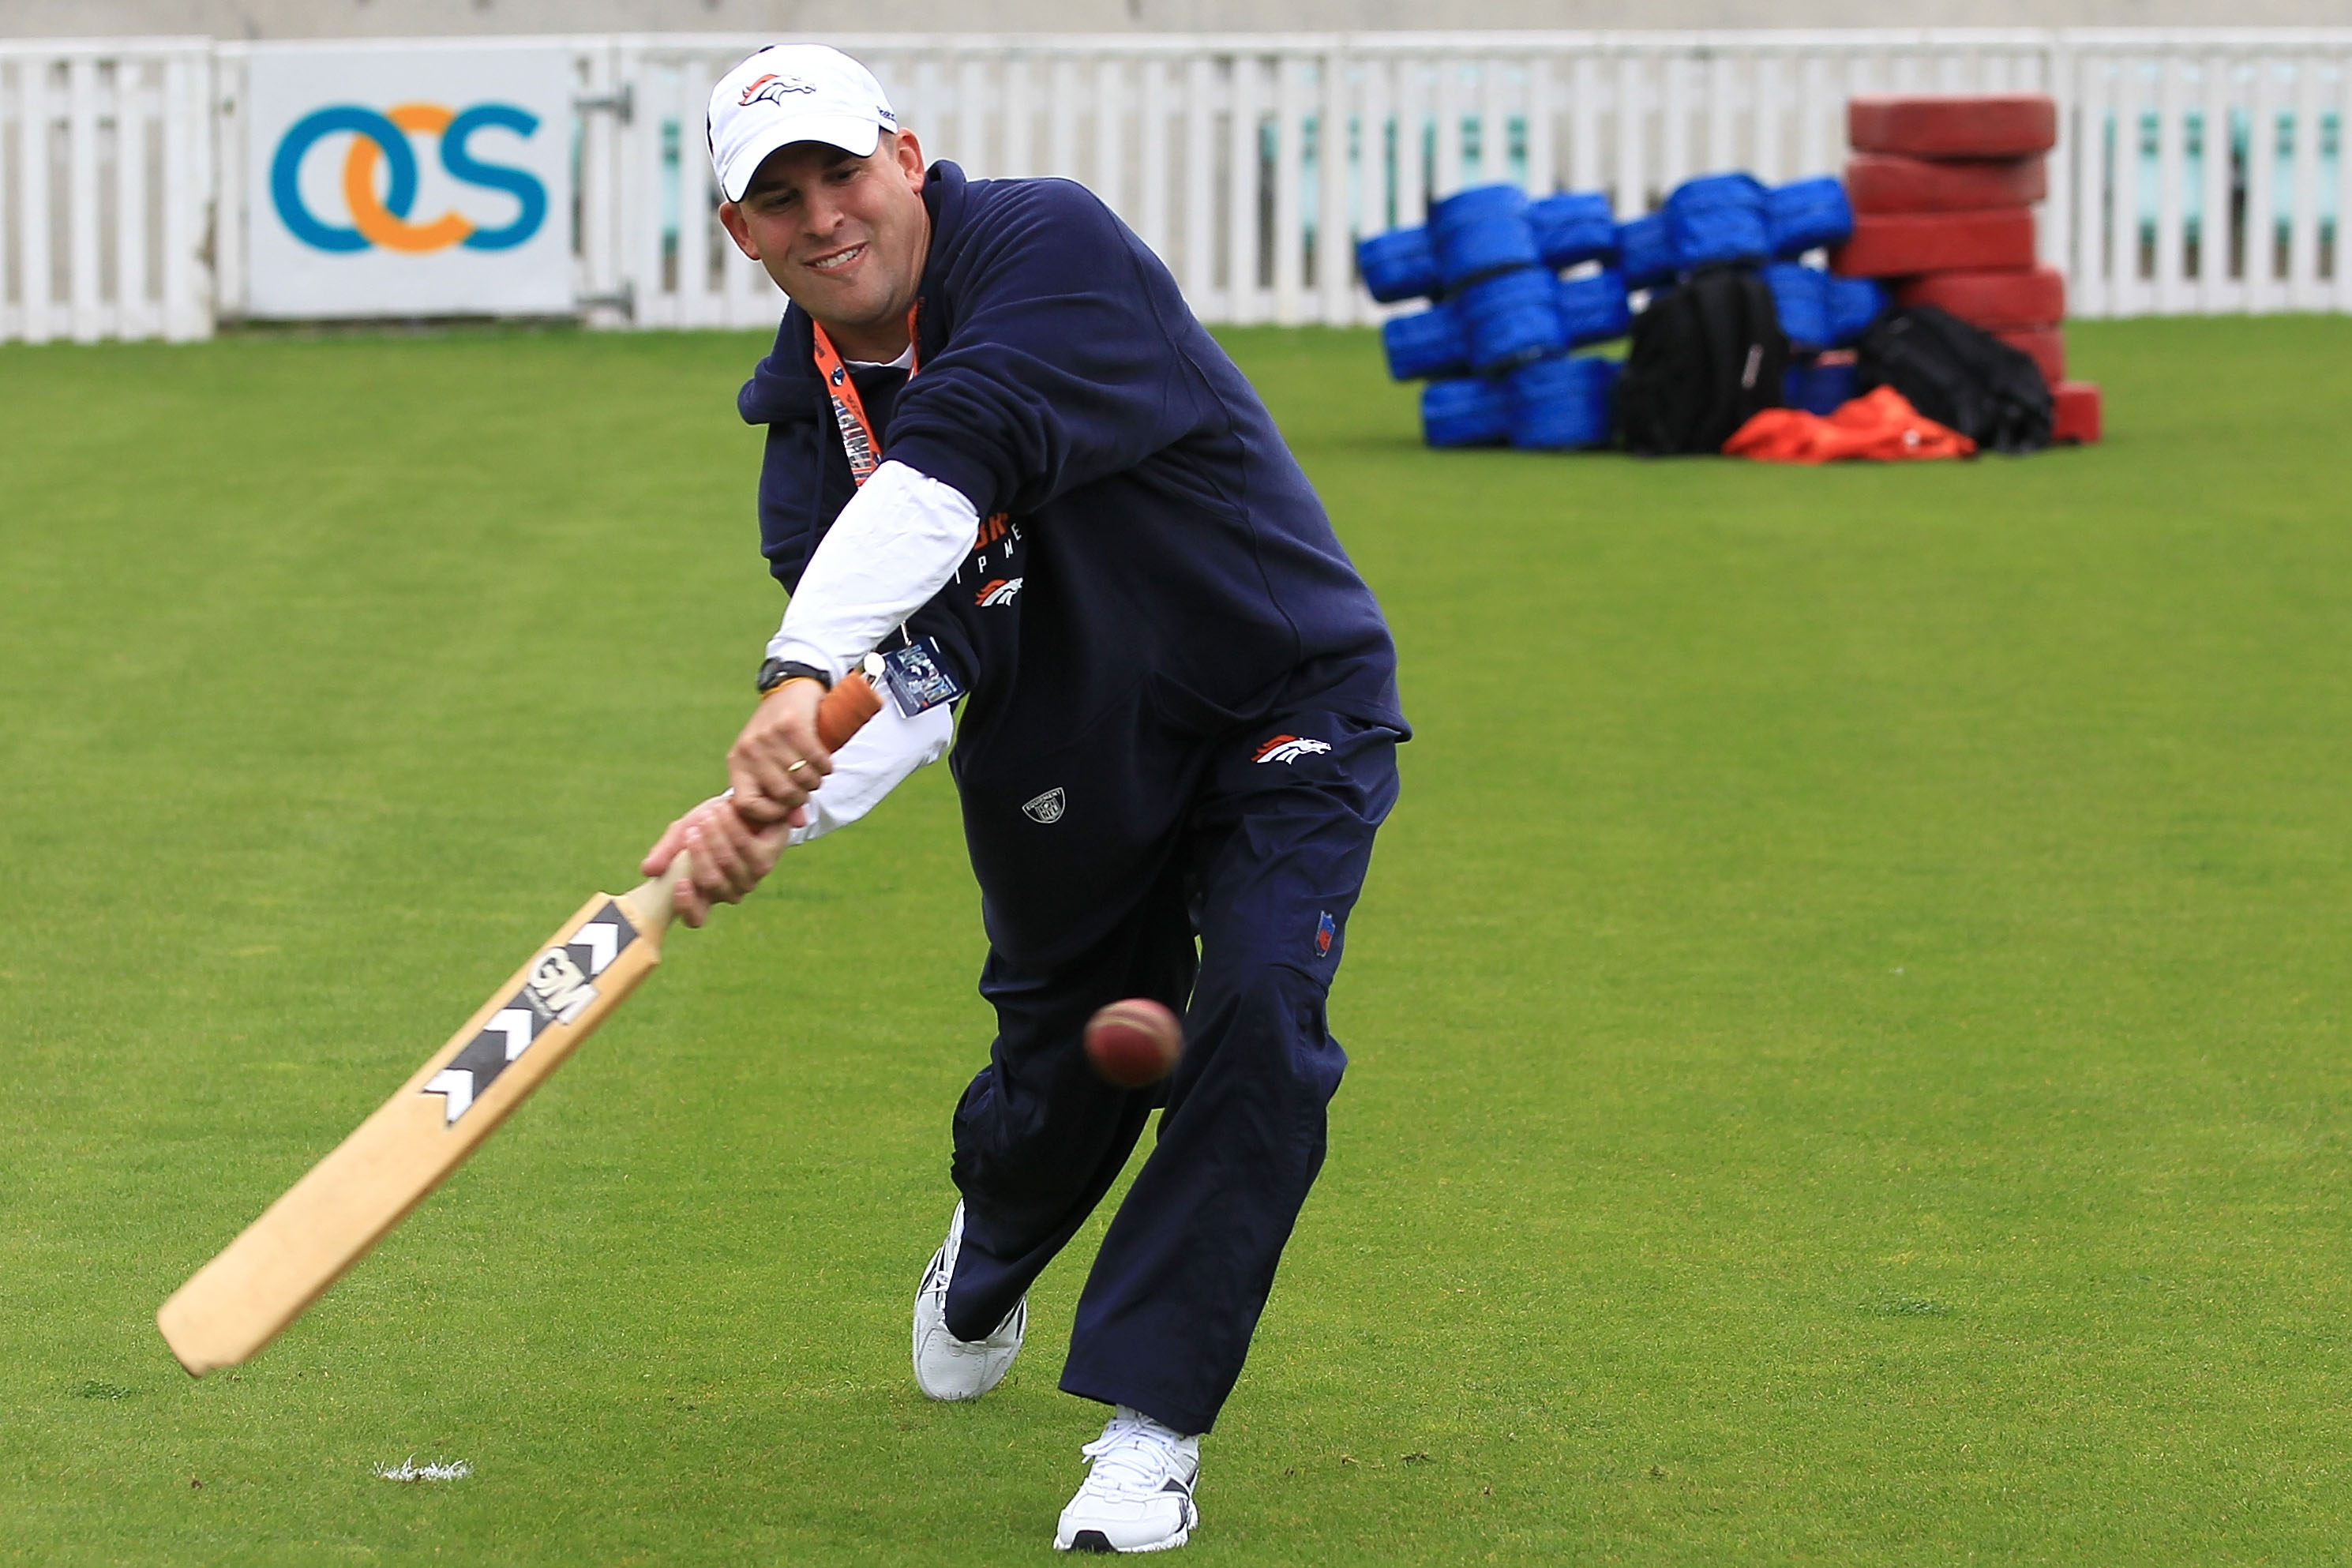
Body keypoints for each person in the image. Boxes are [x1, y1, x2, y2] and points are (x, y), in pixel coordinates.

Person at [640, 43, 1407, 1555]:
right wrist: (770, 808)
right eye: (776, 198)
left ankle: (1147, 1433)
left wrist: (799, 664)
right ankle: (990, 1245)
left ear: (906, 156)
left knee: (1257, 1013)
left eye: (842, 172)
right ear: (742, 234)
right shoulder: (806, 450)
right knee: (1066, 1084)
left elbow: (960, 454)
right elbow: (923, 669)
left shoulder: (1047, 246)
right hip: (1065, 758)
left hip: (1279, 700)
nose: (823, 217)